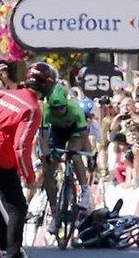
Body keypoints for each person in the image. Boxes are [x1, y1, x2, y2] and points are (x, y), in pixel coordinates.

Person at [0, 62, 56, 258]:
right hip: (1, 162)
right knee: (17, 207)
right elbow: (21, 147)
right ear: (47, 86)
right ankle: (12, 252)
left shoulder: (7, 93)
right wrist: (28, 177)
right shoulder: (32, 109)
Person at [40, 85, 93, 233]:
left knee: (74, 154)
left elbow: (84, 139)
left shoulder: (76, 109)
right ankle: (54, 211)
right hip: (57, 133)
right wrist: (46, 155)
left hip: (75, 131)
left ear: (66, 103)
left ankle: (85, 191)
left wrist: (90, 158)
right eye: (55, 109)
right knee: (48, 170)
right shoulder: (45, 110)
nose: (58, 111)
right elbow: (43, 138)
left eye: (61, 107)